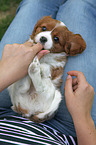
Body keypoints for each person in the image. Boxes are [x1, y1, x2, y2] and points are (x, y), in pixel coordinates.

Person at [0, 0, 96, 144]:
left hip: (5, 106)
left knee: (35, 3)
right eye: (43, 29)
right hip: (66, 126)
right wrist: (83, 118)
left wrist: (4, 72)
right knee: (81, 5)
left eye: (55, 39)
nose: (44, 36)